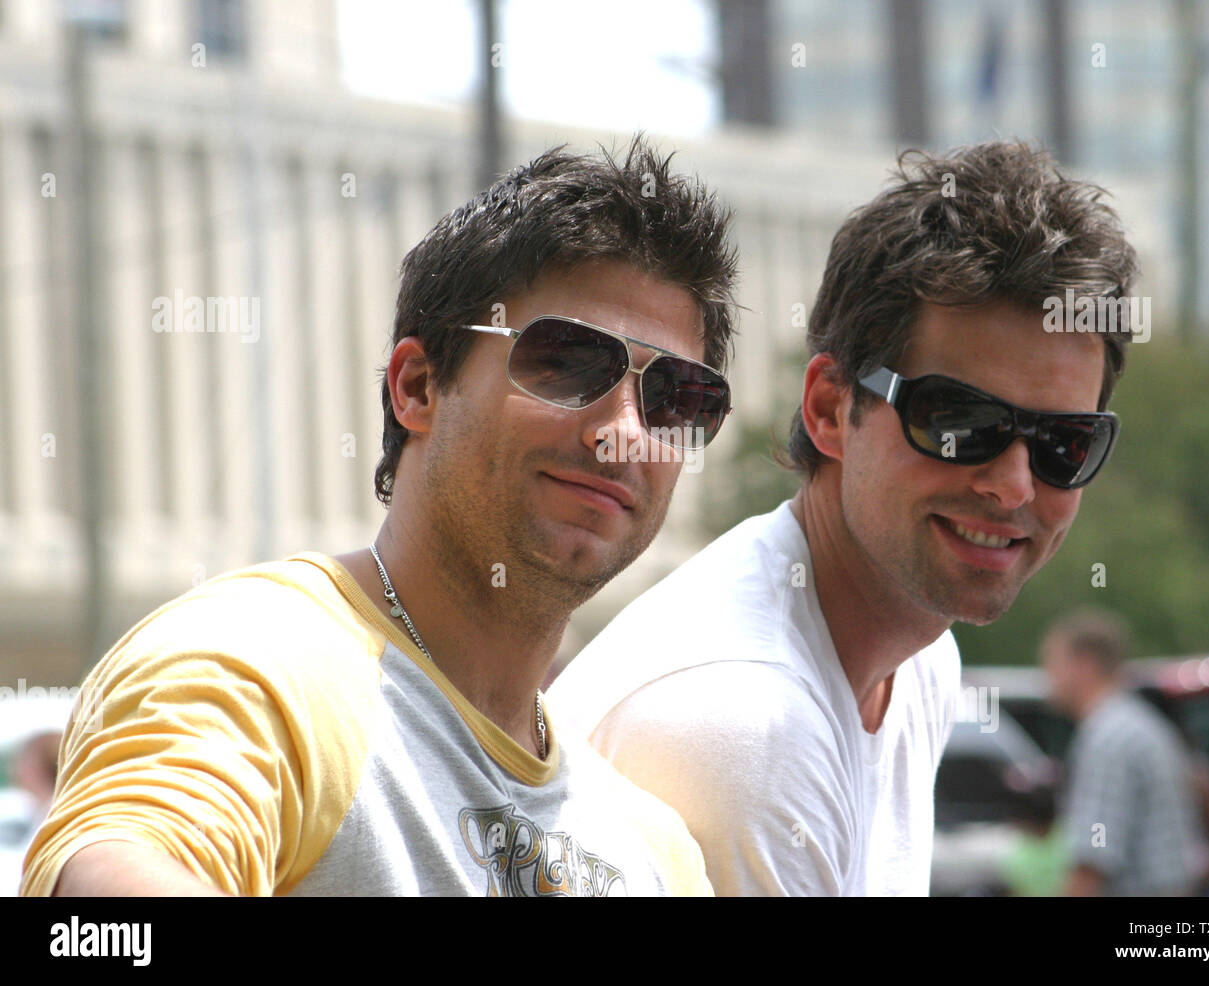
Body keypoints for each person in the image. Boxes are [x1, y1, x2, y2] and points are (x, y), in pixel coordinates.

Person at [21, 137, 739, 897]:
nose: (624, 430)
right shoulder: (255, 670)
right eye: (565, 362)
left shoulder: (655, 850)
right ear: (418, 387)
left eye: (673, 398)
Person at [550, 140, 1140, 895]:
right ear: (831, 408)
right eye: (960, 422)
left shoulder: (921, 661)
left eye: (1065, 443)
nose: (1015, 486)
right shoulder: (746, 724)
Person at [1040, 608, 1205, 896]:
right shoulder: (1142, 724)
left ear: (1084, 664)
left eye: (1052, 663)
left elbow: (1093, 861)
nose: (1047, 678)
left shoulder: (1107, 737)